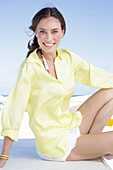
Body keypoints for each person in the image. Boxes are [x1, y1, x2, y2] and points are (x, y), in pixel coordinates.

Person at [0, 7, 113, 168]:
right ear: (36, 33)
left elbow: (98, 76)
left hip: (70, 126)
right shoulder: (30, 66)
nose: (48, 38)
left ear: (62, 32)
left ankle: (92, 147)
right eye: (42, 32)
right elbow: (14, 108)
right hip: (54, 144)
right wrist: (4, 155)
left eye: (54, 31)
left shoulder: (67, 58)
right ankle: (93, 148)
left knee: (111, 90)